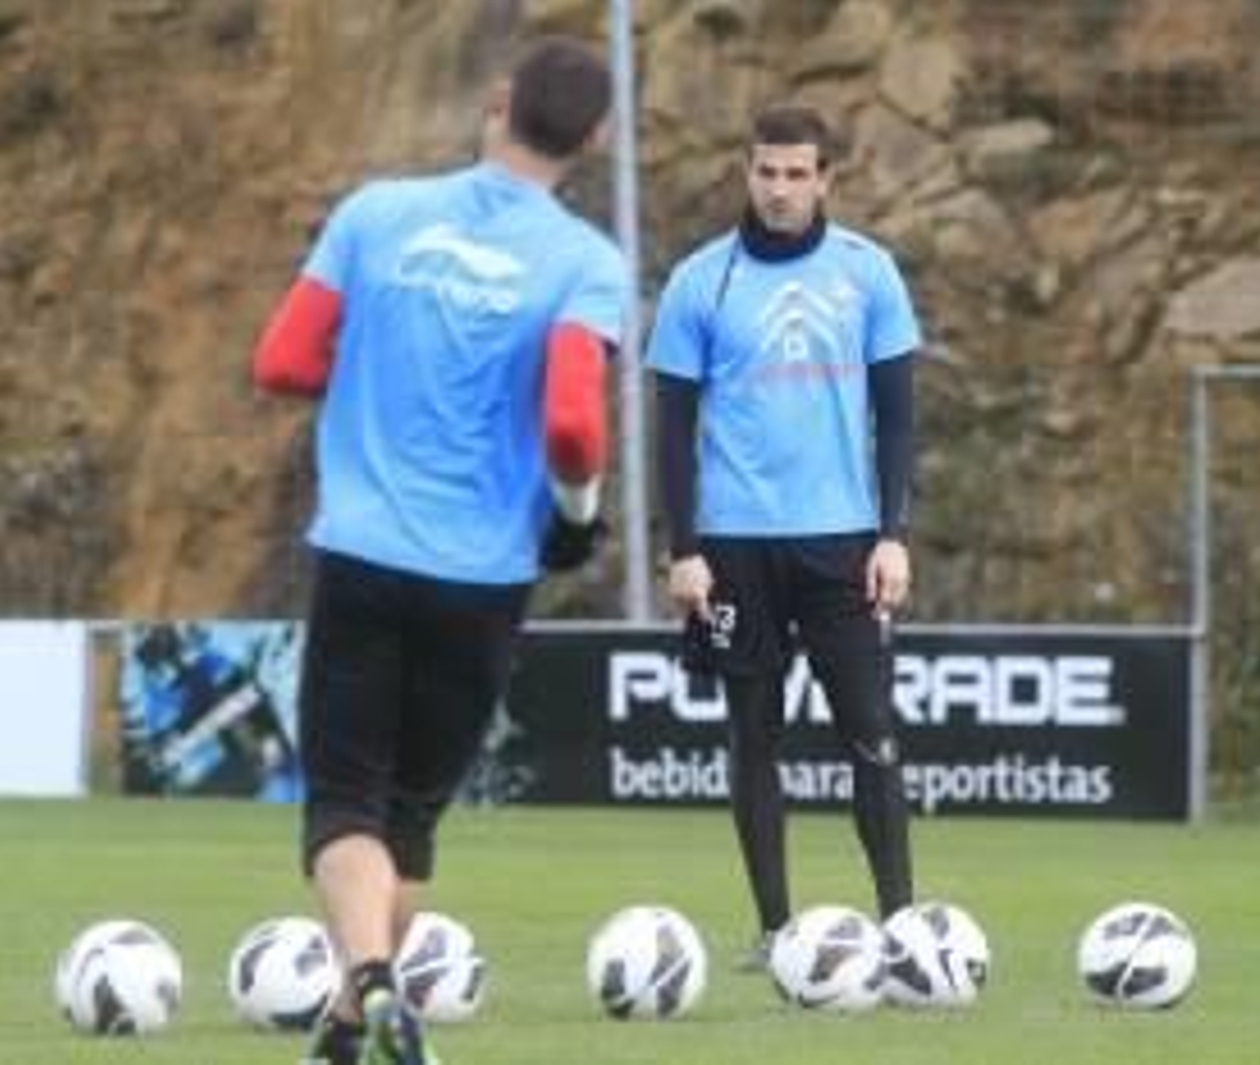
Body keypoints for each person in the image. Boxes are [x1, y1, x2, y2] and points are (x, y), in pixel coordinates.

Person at [252, 36, 622, 1065]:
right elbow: (574, 425)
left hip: (363, 554)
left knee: (343, 805)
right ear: (593, 137)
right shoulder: (586, 263)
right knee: (407, 820)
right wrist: (579, 513)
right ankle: (349, 1024)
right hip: (483, 577)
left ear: (498, 105)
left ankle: (365, 989)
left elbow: (282, 360)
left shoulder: (376, 214)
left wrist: (378, 374)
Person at [644, 103, 921, 967]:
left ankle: (904, 929)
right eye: (767, 171)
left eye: (798, 173)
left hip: (841, 543)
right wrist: (683, 548)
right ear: (746, 171)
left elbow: (899, 418)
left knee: (871, 733)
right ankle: (773, 932)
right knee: (752, 734)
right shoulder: (700, 281)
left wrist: (893, 533)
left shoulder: (869, 273)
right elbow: (671, 430)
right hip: (733, 548)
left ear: (826, 178)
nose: (780, 188)